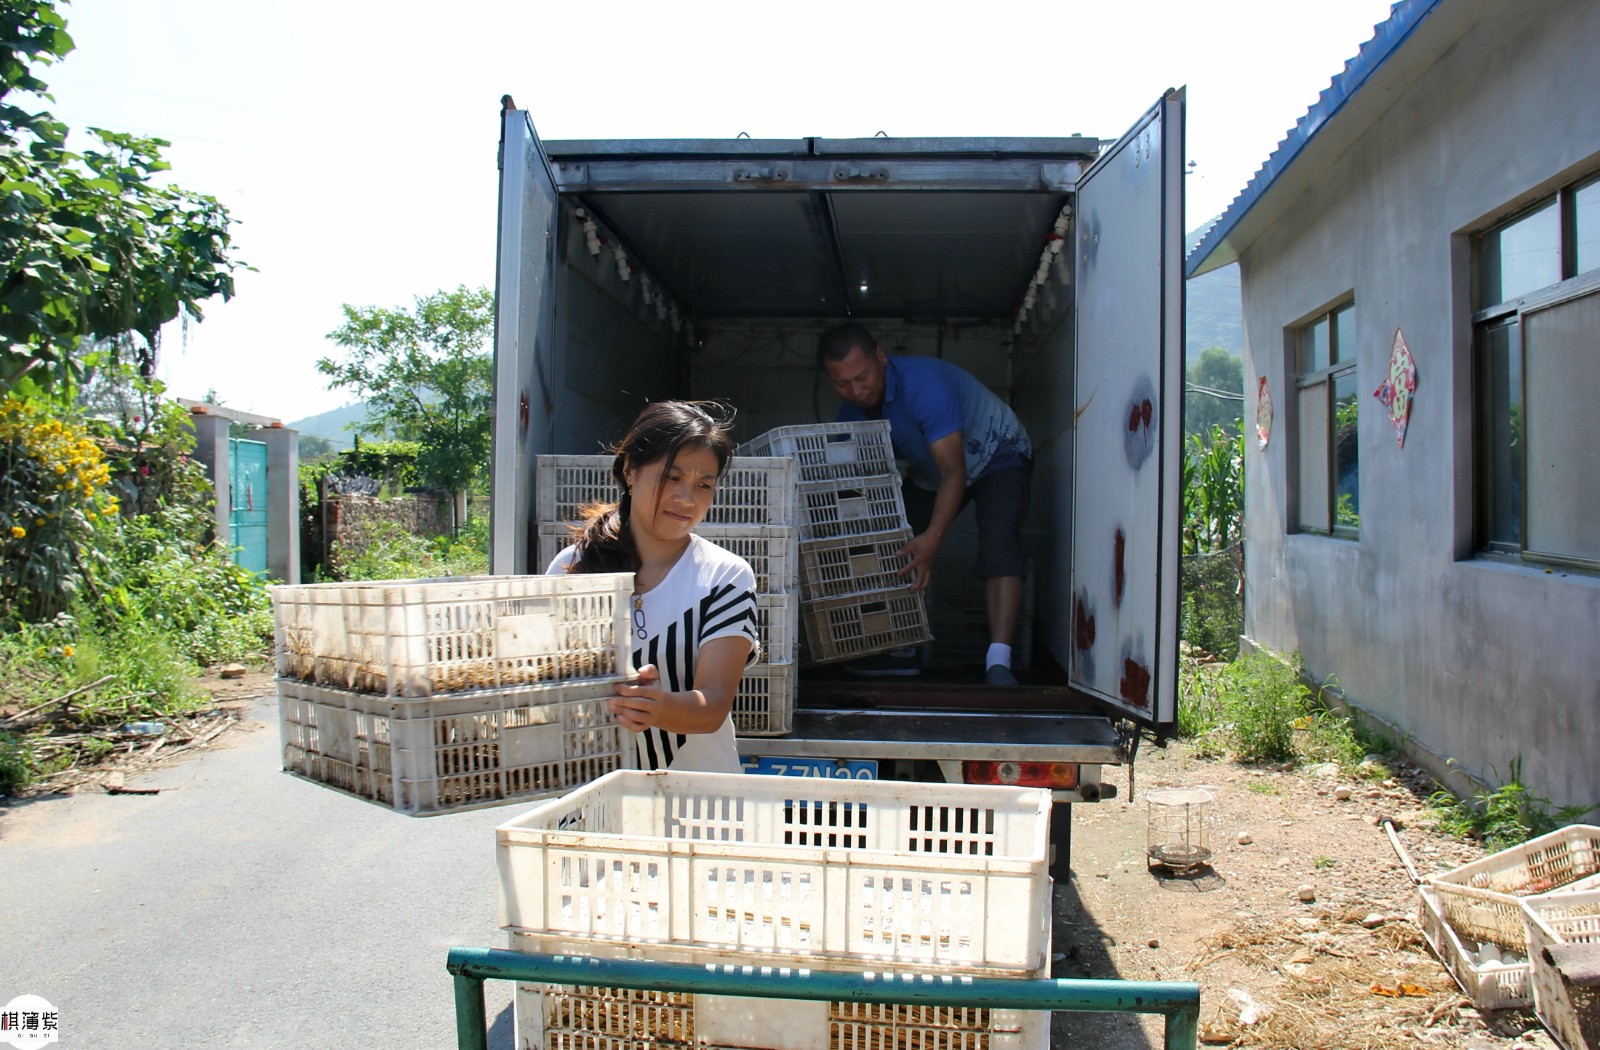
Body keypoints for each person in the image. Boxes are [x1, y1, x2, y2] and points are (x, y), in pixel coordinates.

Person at [548, 400, 759, 772]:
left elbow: (712, 706)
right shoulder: (570, 569)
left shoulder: (725, 576)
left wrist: (656, 707)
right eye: (672, 477)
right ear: (630, 470)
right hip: (593, 803)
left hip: (702, 811)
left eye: (703, 485)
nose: (686, 499)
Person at [820, 323, 1032, 686]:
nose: (856, 390)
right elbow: (856, 487)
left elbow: (955, 471)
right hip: (933, 471)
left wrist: (933, 538)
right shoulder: (851, 413)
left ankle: (999, 661)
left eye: (863, 377)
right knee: (889, 540)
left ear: (881, 357)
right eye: (842, 384)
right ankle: (897, 649)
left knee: (999, 545)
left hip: (999, 453)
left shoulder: (924, 386)